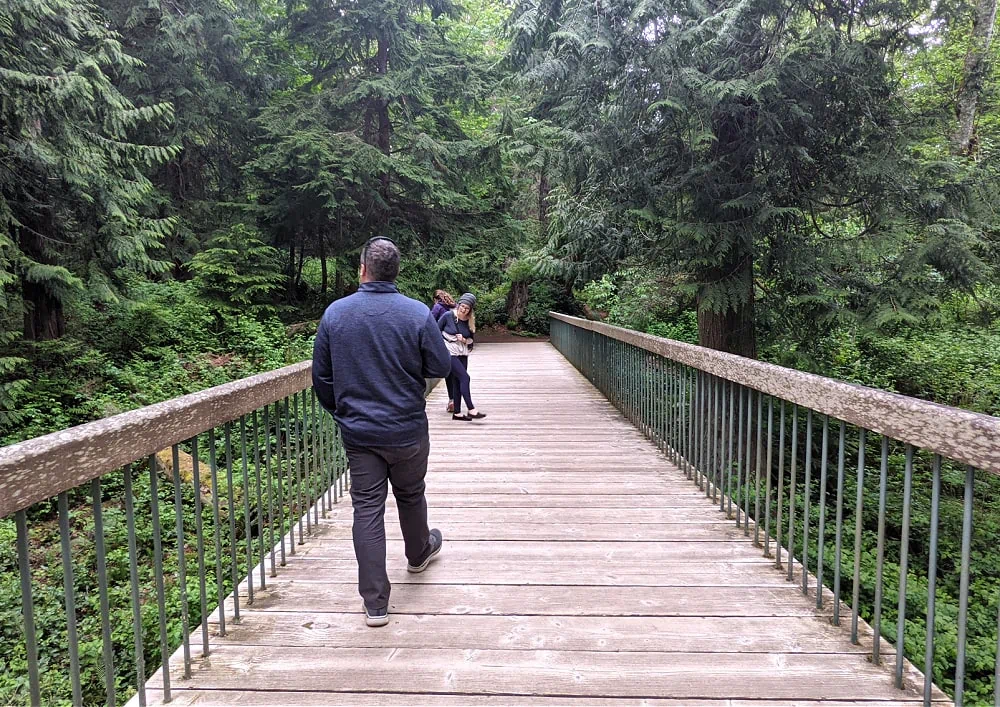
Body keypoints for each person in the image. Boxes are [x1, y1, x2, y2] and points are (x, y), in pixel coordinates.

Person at [312, 237, 452, 627]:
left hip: (360, 434)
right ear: (396, 272)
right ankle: (418, 553)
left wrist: (342, 411)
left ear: (362, 269)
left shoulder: (336, 314)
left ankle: (375, 603)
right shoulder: (415, 314)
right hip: (407, 427)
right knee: (410, 493)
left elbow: (321, 377)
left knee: (367, 508)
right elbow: (440, 366)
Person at [439, 292, 486, 421]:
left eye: (467, 308)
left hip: (463, 353)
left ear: (470, 310)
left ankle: (457, 413)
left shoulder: (470, 322)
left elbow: (472, 341)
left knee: (457, 381)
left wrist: (465, 340)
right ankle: (471, 409)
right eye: (462, 306)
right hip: (449, 352)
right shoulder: (448, 316)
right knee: (465, 378)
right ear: (459, 305)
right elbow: (436, 331)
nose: (463, 310)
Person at [430, 290, 458, 412]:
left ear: (436, 299)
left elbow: (430, 323)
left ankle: (452, 399)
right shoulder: (455, 307)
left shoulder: (437, 307)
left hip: (445, 343)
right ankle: (456, 399)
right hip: (458, 344)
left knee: (449, 372)